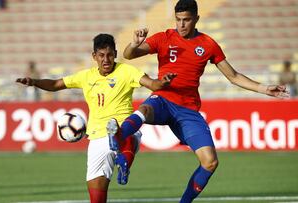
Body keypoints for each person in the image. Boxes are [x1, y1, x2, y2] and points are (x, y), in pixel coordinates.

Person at [106, 0, 290, 202]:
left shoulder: (208, 44)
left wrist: (264, 89)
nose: (181, 24)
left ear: (196, 19)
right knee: (145, 108)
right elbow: (128, 55)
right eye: (178, 20)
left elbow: (233, 76)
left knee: (210, 162)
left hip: (188, 111)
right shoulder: (164, 37)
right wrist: (135, 43)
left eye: (186, 20)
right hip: (164, 99)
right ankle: (118, 137)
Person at [16, 34, 176, 203]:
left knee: (124, 133)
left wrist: (162, 82)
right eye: (101, 55)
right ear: (94, 56)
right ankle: (124, 159)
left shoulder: (127, 71)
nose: (106, 60)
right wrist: (33, 81)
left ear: (115, 53)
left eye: (109, 55)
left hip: (125, 126)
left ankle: (124, 158)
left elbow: (152, 84)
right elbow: (56, 84)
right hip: (97, 137)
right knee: (96, 197)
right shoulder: (86, 76)